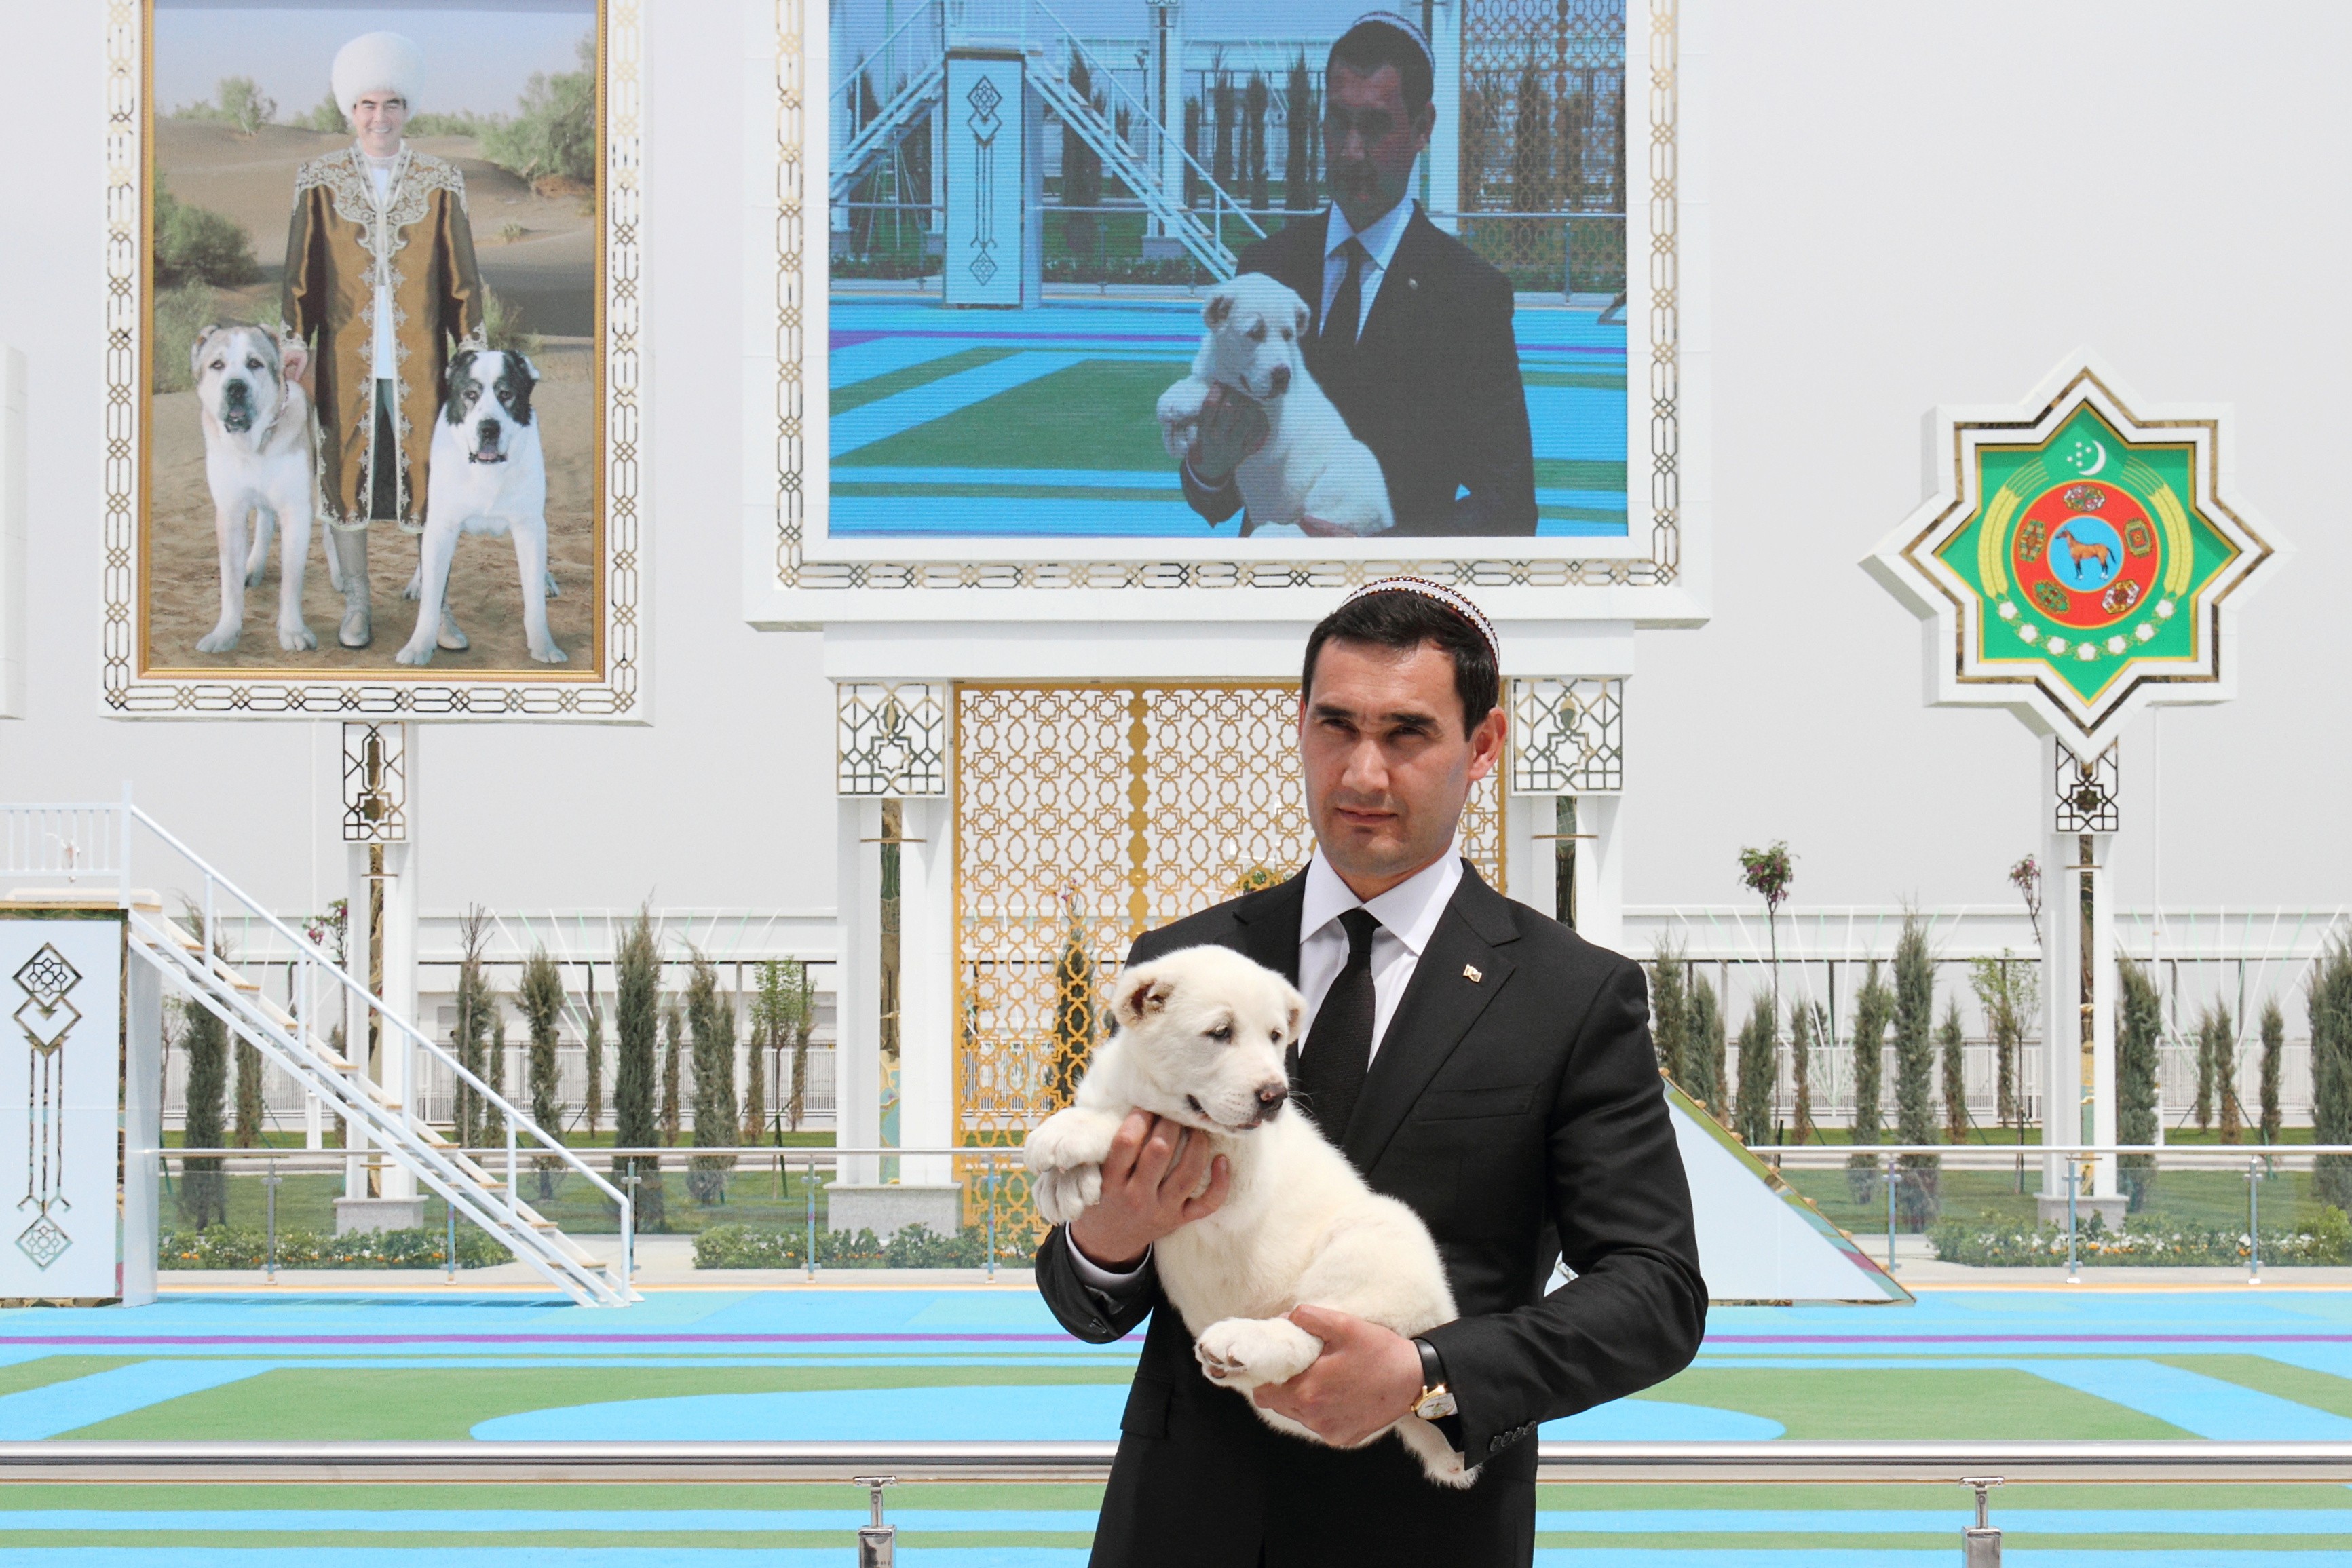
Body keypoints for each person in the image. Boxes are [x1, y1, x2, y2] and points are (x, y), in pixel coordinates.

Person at [1033, 578, 1705, 1565]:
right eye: (1335, 724)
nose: (1362, 770)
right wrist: (1109, 1235)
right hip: (1180, 1528)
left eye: (1406, 733)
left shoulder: (1571, 994)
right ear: (1298, 726)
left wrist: (1428, 1369)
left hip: (1425, 1534)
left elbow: (1655, 1290)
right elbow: (1083, 1294)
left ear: (1482, 746)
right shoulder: (1188, 960)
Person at [1180, 14, 1538, 537]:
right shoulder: (1266, 271)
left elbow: (1510, 507)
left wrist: (1382, 557)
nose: (1350, 151)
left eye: (1374, 127)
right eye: (1337, 123)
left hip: (1391, 612)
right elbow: (1217, 496)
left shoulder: (1469, 297)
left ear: (1423, 128)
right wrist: (1208, 466)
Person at [281, 31, 487, 650]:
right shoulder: (318, 179)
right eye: (367, 105)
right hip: (345, 360)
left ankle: (437, 608)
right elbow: (301, 271)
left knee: (433, 478)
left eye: (391, 104)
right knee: (346, 479)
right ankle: (359, 604)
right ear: (351, 110)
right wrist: (294, 340)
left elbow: (462, 274)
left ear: (408, 110)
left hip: (423, 361)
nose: (379, 117)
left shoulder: (440, 178)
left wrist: (471, 349)